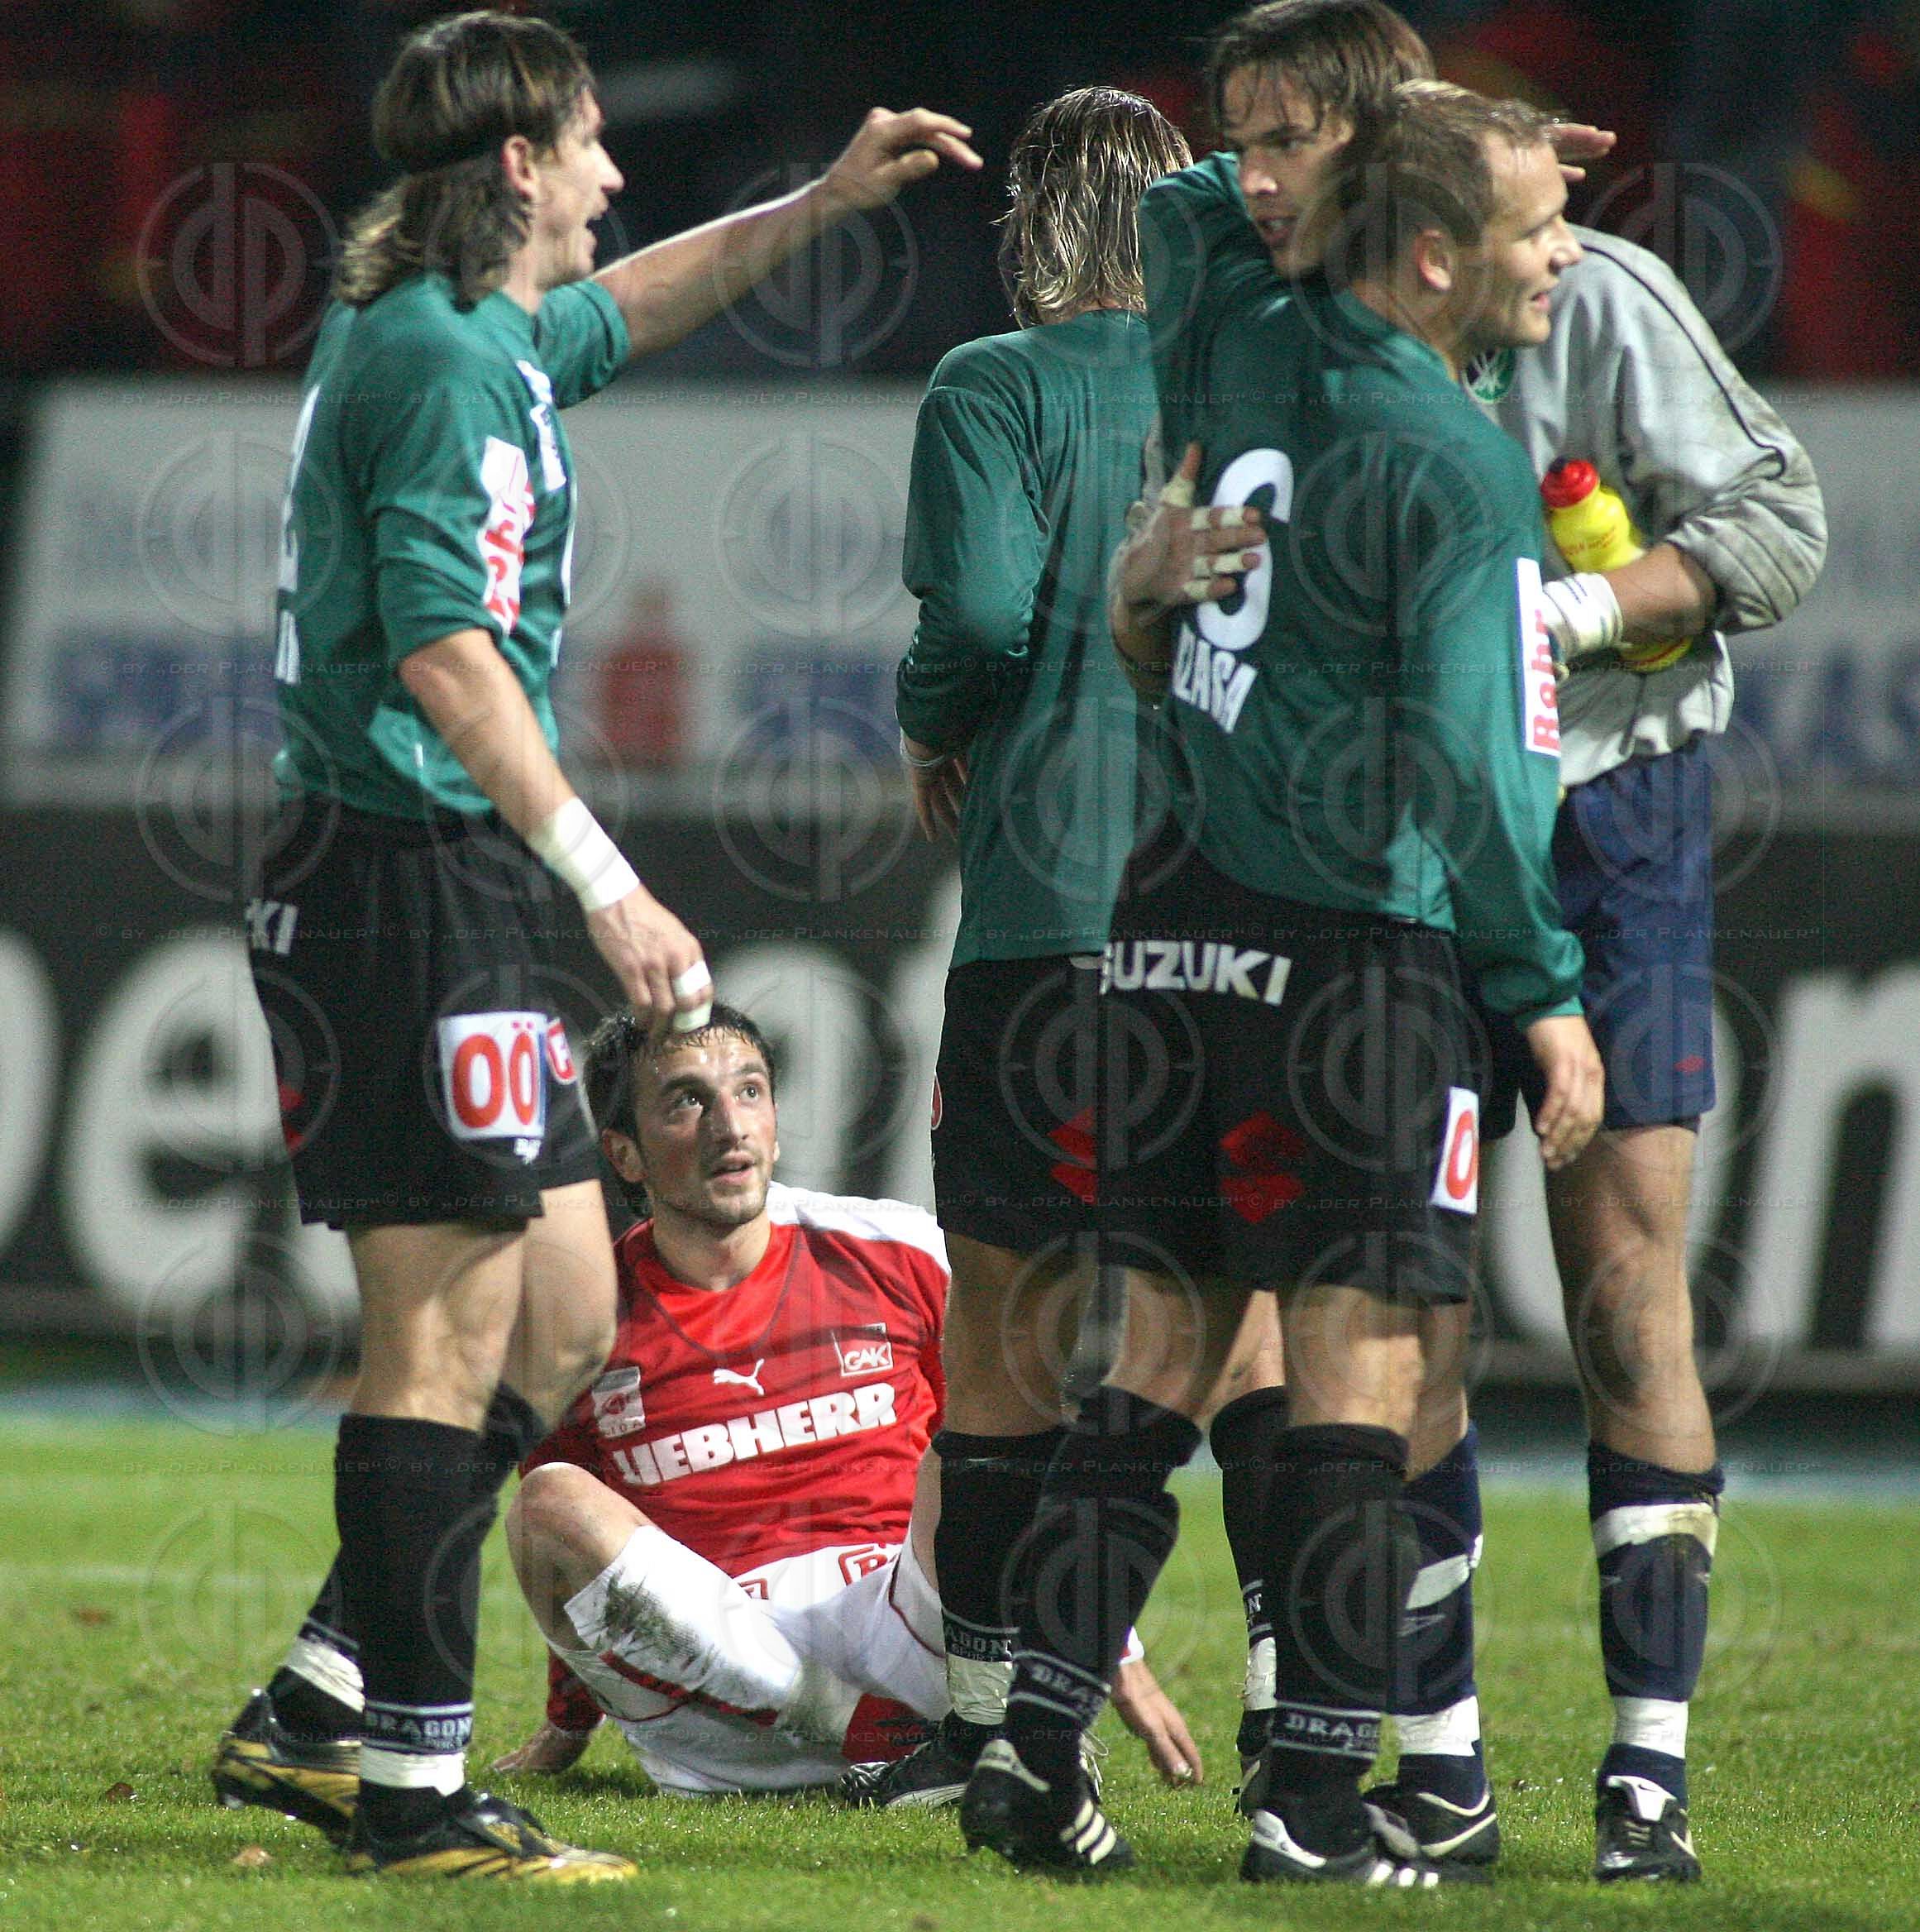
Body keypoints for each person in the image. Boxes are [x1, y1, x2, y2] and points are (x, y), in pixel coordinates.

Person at [213, 8, 981, 1880]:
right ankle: (411, 1790)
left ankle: (323, 1694)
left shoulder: (467, 328)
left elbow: (633, 301)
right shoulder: (438, 362)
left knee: (564, 1313)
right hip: (404, 874)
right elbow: (442, 648)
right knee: (440, 1327)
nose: (614, 170)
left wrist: (823, 199)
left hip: (441, 875)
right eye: (588, 141)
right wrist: (602, 877)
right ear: (516, 165)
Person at [1112, 0, 1826, 1883]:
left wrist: (1572, 620)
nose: (1253, 178)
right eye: (1246, 144)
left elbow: (1779, 522)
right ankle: (1436, 1764)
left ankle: (1646, 1774)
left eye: (1288, 140)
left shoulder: (1592, 292)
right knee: (1400, 1308)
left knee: (1620, 1286)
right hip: (1409, 853)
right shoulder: (1301, 304)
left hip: (1604, 820)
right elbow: (1186, 210)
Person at [962, 79, 1605, 1885]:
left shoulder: (1239, 346)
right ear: (1429, 244)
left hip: (1173, 921)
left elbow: (1185, 215)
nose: (1564, 252)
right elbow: (1478, 764)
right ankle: (1315, 1801)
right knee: (1359, 1363)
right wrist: (1538, 984)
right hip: (1352, 947)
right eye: (1534, 226)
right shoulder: (1446, 450)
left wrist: (1356, 143)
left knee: (1157, 1350)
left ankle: (1028, 1745)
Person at [869, 86, 1254, 1810]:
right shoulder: (1242, 386)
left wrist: (927, 720)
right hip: (1237, 928)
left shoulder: (992, 384)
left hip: (1045, 918)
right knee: (1238, 1336)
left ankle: (987, 1731)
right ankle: (1302, 1724)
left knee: (1008, 1333)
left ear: (1030, 220)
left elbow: (977, 612)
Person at [490, 1004, 1197, 1795]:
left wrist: (1115, 1648)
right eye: (688, 1101)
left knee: (981, 1441)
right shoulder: (583, 1315)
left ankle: (940, 1730)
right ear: (625, 1152)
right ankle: (882, 1736)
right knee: (547, 1502)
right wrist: (568, 1722)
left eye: (749, 1091)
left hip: (909, 1631)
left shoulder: (895, 1249)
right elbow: (566, 1563)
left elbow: (1019, 1449)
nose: (731, 1127)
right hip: (717, 1693)